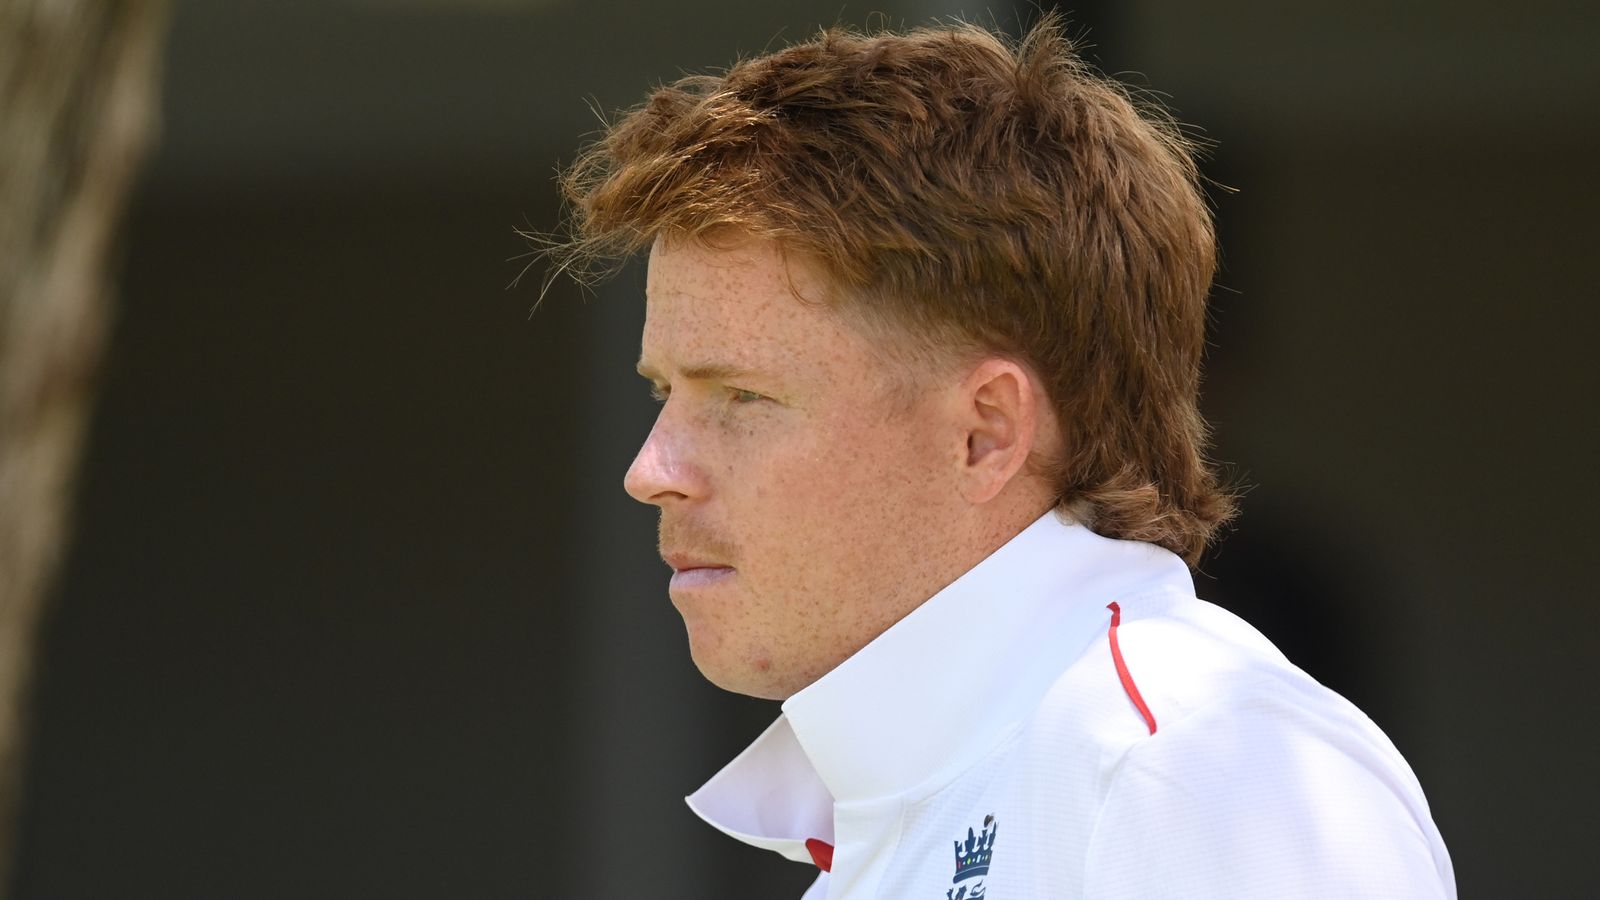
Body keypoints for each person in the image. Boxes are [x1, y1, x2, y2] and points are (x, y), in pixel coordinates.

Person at [540, 11, 1456, 899]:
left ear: (985, 433)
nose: (651, 469)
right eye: (666, 393)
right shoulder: (912, 809)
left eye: (742, 396)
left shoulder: (1182, 769)